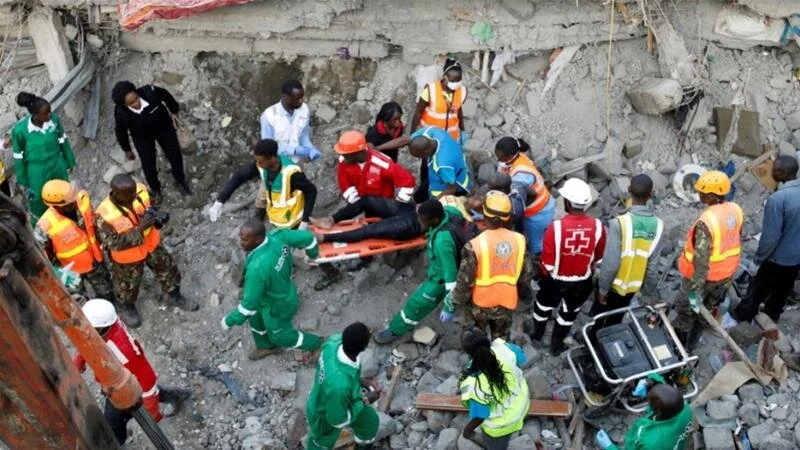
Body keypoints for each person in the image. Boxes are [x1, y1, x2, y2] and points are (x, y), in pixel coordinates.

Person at [75, 299, 191, 445]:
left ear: (100, 328)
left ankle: (116, 442)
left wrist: (152, 409)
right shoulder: (103, 327)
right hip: (116, 379)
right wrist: (80, 359)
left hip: (123, 387)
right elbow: (87, 340)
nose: (83, 326)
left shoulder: (123, 351)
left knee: (114, 420)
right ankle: (175, 395)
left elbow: (145, 378)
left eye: (88, 325)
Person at [208, 80, 320, 222]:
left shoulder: (303, 109)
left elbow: (303, 134)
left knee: (295, 193)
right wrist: (219, 202)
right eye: (298, 98)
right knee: (265, 196)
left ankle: (297, 218)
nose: (302, 101)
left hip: (294, 162)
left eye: (302, 97)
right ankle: (260, 220)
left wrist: (309, 148)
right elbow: (266, 147)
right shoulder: (270, 117)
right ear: (286, 97)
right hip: (278, 162)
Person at [95, 174, 197, 327]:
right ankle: (127, 306)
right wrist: (140, 229)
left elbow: (153, 204)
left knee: (169, 270)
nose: (133, 197)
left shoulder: (140, 191)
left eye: (133, 193)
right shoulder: (103, 214)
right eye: (128, 196)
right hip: (128, 258)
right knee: (127, 286)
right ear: (115, 194)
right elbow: (113, 243)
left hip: (152, 246)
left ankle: (175, 295)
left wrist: (155, 218)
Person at [221, 218, 323, 360]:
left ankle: (316, 344)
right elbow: (307, 237)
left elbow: (249, 305)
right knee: (254, 318)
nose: (240, 242)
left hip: (277, 304)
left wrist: (229, 321)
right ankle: (265, 346)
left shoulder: (258, 268)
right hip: (277, 289)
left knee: (280, 335)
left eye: (244, 240)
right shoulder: (277, 236)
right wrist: (313, 255)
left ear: (257, 240)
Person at [529, 178, 605, 355]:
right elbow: (599, 255)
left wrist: (541, 276)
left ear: (568, 202)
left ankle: (536, 335)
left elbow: (547, 263)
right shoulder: (598, 226)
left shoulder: (556, 228)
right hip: (582, 282)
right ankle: (556, 346)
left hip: (555, 280)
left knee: (543, 307)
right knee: (569, 313)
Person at [444, 191, 532, 341]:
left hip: (480, 304)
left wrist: (453, 301)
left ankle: (479, 361)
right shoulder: (520, 240)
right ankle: (499, 362)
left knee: (475, 340)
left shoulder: (475, 245)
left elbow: (465, 281)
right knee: (501, 341)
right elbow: (526, 274)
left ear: (484, 216)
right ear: (508, 217)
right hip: (506, 302)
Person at [373, 200, 461, 344]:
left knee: (416, 304)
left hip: (439, 280)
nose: (420, 222)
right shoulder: (449, 212)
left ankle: (395, 330)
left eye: (423, 220)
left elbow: (451, 279)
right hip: (442, 267)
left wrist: (449, 307)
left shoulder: (442, 242)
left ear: (435, 219)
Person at [673, 171, 742, 350]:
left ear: (712, 195)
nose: (699, 195)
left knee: (685, 311)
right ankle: (694, 343)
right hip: (725, 276)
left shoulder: (707, 221)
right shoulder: (735, 210)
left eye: (702, 192)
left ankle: (680, 347)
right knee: (708, 310)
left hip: (704, 278)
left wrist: (695, 292)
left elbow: (701, 261)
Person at [728, 155, 800, 325]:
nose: (771, 172)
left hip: (777, 259)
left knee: (757, 290)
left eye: (774, 169)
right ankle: (771, 318)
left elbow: (770, 237)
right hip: (796, 258)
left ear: (782, 173)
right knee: (782, 290)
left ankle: (741, 320)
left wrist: (758, 260)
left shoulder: (778, 199)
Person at [592, 174, 663, 329]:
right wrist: (648, 293)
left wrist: (603, 288)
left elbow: (611, 263)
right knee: (615, 319)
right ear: (650, 195)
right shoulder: (658, 226)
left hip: (612, 285)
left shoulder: (619, 224)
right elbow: (653, 267)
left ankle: (590, 341)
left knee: (598, 317)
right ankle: (606, 344)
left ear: (629, 190)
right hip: (632, 287)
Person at [34, 179, 114, 301]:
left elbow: (92, 221)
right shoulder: (45, 226)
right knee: (79, 300)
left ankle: (107, 303)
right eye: (69, 203)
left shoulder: (82, 199)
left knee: (106, 290)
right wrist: (57, 271)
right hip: (72, 271)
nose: (74, 203)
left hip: (95, 260)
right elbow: (38, 254)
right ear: (56, 206)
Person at [306, 322, 380, 450]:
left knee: (369, 423)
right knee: (321, 442)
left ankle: (362, 446)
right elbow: (337, 420)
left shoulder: (333, 342)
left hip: (338, 395)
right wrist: (366, 400)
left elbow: (343, 373)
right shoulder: (340, 386)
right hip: (324, 412)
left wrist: (362, 381)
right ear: (363, 347)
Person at [112, 81, 191, 199]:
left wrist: (174, 111)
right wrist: (127, 149)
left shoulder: (150, 92)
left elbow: (166, 95)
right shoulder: (120, 112)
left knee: (175, 155)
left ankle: (180, 181)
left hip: (163, 128)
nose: (136, 103)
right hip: (142, 136)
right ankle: (155, 189)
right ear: (124, 105)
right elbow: (120, 131)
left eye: (136, 98)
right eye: (131, 103)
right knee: (148, 164)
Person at [458, 328, 529, 450]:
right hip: (522, 403)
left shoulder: (474, 384)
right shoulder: (504, 347)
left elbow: (480, 415)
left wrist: (467, 432)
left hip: (502, 424)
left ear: (467, 352)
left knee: (495, 446)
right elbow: (521, 357)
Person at [11, 91, 75, 221]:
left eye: (49, 111)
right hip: (36, 170)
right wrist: (22, 180)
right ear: (35, 115)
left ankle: (70, 221)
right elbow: (18, 157)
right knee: (38, 199)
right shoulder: (20, 131)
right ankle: (42, 229)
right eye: (45, 113)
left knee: (64, 193)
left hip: (57, 164)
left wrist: (69, 161)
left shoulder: (54, 121)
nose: (49, 115)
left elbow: (63, 140)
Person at [595, 375, 692, 450]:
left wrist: (609, 446)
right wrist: (651, 382)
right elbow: (665, 390)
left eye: (649, 401)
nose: (646, 399)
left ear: (657, 413)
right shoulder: (684, 407)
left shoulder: (649, 441)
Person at [494, 137, 555, 255]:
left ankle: (536, 262)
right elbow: (501, 174)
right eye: (497, 155)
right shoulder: (509, 160)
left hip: (538, 212)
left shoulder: (522, 174)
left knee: (535, 243)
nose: (498, 159)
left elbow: (520, 199)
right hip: (533, 208)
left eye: (500, 157)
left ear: (510, 155)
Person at [335, 130, 416, 205]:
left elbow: (408, 181)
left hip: (384, 206)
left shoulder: (382, 164)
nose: (343, 158)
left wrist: (398, 204)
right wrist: (357, 203)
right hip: (365, 205)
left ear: (357, 153)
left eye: (346, 155)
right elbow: (344, 184)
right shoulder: (343, 161)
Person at [250, 139, 317, 229]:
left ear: (272, 159)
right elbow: (240, 175)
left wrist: (304, 221)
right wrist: (223, 197)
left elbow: (311, 191)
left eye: (261, 162)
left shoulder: (292, 174)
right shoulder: (264, 168)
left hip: (294, 222)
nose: (259, 164)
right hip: (277, 220)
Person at [410, 58, 468, 143]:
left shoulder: (462, 91)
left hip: (450, 138)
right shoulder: (431, 90)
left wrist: (462, 131)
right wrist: (413, 133)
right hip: (430, 137)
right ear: (445, 76)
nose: (456, 83)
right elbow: (418, 111)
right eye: (453, 80)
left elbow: (458, 110)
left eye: (458, 80)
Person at [409, 126, 472, 200]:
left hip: (454, 188)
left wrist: (434, 202)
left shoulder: (442, 165)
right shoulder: (436, 132)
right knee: (418, 196)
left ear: (426, 151)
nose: (420, 158)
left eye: (419, 156)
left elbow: (452, 189)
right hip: (454, 172)